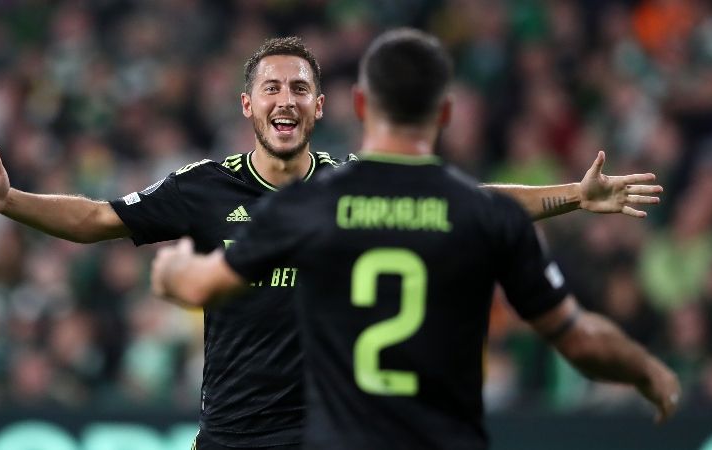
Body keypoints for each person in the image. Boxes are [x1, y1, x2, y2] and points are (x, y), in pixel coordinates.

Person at [0, 37, 663, 449]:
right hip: (233, 435)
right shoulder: (203, 187)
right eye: (272, 88)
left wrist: (576, 193)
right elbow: (99, 218)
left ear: (322, 106)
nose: (285, 100)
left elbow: (472, 203)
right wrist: (12, 202)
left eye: (299, 88)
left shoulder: (347, 186)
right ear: (248, 104)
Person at [150, 29, 680, 450]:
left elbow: (204, 285)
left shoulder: (311, 206)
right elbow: (580, 339)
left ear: (358, 105)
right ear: (444, 113)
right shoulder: (479, 213)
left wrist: (174, 273)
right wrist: (648, 369)